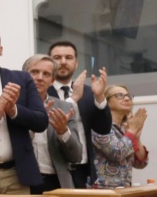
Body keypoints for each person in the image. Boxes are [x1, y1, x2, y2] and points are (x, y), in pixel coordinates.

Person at [0, 25, 48, 195]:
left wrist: (13, 110)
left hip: (17, 174)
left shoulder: (21, 78)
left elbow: (41, 121)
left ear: (1, 49)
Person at [48, 41, 113, 187]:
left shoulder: (89, 92)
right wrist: (74, 98)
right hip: (53, 169)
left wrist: (100, 97)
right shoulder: (41, 92)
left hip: (82, 168)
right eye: (57, 57)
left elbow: (103, 129)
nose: (63, 62)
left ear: (76, 63)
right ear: (49, 62)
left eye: (68, 57)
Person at [23, 54, 83, 193]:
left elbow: (76, 157)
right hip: (22, 184)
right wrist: (34, 124)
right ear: (24, 76)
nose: (39, 77)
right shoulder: (14, 106)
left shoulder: (64, 108)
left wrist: (63, 133)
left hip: (56, 182)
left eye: (46, 74)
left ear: (52, 80)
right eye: (34, 72)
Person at [93, 84, 150, 187]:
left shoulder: (125, 129)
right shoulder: (99, 125)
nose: (127, 98)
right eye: (119, 95)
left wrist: (137, 138)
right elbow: (117, 152)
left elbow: (141, 163)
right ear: (106, 101)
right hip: (103, 192)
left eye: (128, 96)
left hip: (124, 190)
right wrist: (132, 131)